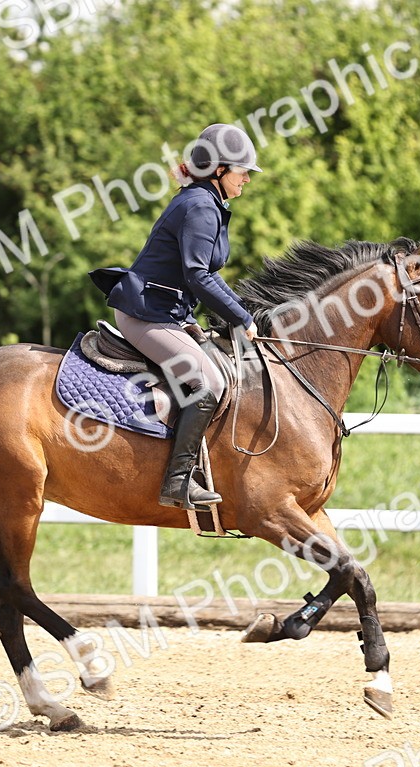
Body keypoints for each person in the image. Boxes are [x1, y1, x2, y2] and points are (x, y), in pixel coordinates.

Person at [89, 123, 260, 510]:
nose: (247, 178)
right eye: (241, 170)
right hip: (146, 314)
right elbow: (199, 276)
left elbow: (206, 275)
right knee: (208, 380)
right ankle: (178, 482)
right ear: (218, 170)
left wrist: (242, 314)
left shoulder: (205, 200)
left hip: (168, 311)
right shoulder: (200, 206)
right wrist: (239, 318)